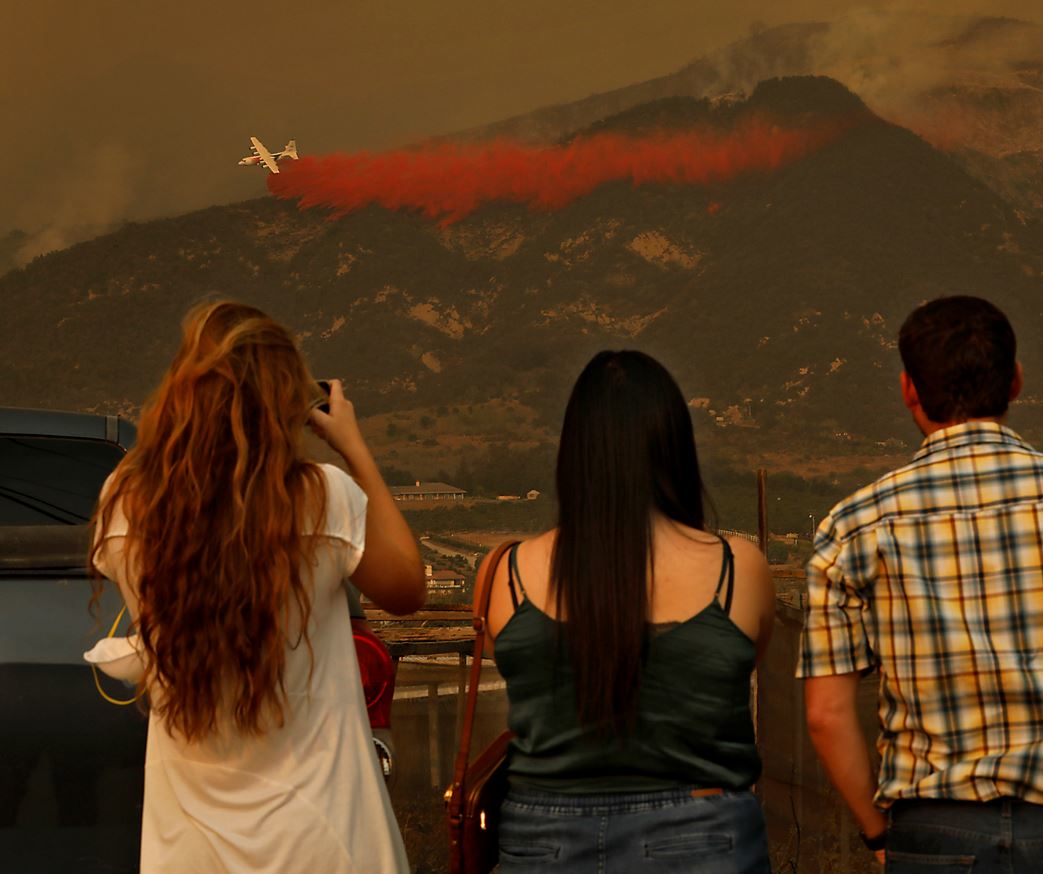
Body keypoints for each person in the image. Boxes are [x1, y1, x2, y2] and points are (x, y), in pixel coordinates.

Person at [798, 295, 1043, 872]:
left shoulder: (854, 526)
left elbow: (825, 715)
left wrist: (877, 831)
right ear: (1015, 381)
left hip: (934, 832)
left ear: (909, 389)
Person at [89, 301, 426, 873]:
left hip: (189, 850)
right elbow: (407, 589)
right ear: (287, 401)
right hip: (323, 839)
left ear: (181, 392)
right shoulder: (323, 498)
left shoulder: (126, 504)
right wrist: (354, 447)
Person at [481, 350, 775, 873]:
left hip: (541, 843)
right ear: (675, 447)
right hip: (701, 838)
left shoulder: (505, 572)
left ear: (574, 451)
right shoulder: (738, 568)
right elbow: (744, 664)